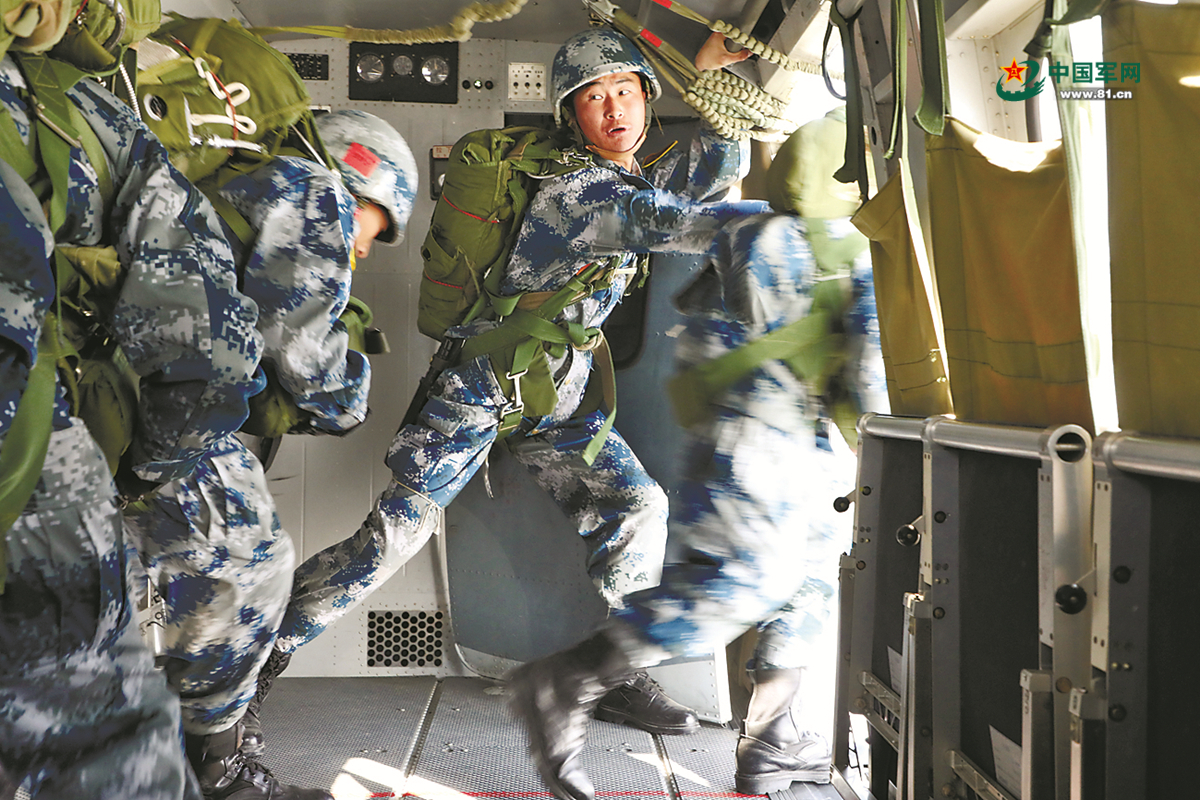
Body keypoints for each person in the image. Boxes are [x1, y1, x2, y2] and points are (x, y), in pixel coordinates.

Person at [245, 26, 761, 748]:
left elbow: (711, 168)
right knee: (393, 536)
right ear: (570, 118)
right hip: (483, 387)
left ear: (646, 96)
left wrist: (709, 81)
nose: (612, 108)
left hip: (556, 394)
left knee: (636, 505)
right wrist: (772, 233)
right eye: (591, 99)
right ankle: (253, 663)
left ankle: (613, 673)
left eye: (622, 90)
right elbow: (673, 221)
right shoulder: (578, 191)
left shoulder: (628, 175)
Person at [505, 113, 887, 800]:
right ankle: (569, 678)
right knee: (739, 585)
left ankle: (772, 737)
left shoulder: (743, 224)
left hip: (740, 438)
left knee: (808, 578)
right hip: (778, 450)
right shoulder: (850, 251)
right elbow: (869, 388)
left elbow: (661, 226)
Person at [121, 109, 417, 800]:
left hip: (117, 390)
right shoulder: (315, 191)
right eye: (379, 225)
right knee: (253, 562)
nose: (366, 248)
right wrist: (350, 399)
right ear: (361, 181)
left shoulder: (240, 178)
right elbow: (305, 345)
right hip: (167, 409)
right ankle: (222, 774)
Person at [0, 26, 264, 798]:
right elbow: (208, 349)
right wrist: (145, 470)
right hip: (33, 484)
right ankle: (220, 756)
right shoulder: (74, 112)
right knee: (105, 756)